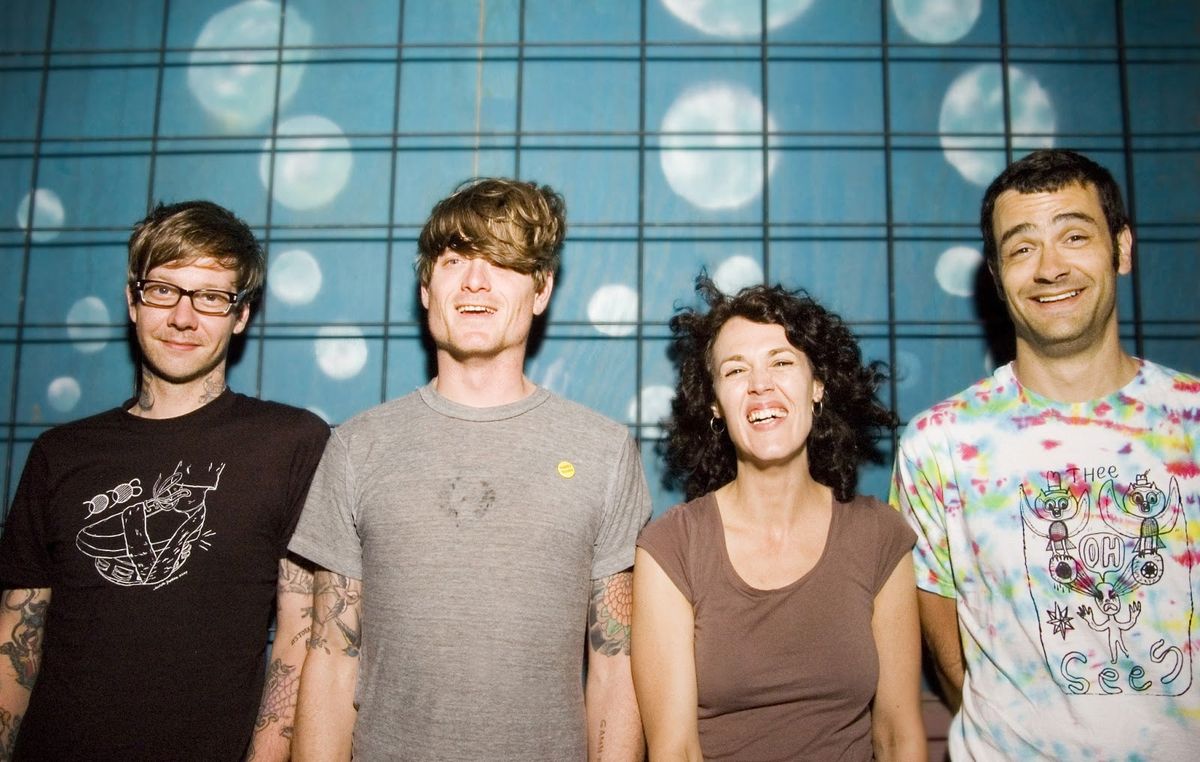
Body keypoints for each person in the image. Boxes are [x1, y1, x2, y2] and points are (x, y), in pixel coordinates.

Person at [289, 178, 651, 760]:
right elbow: (331, 658)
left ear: (541, 289)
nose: (475, 280)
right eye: (454, 260)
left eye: (502, 260)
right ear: (426, 289)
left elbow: (616, 670)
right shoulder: (358, 447)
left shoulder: (604, 452)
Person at [891, 149, 1200, 759]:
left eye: (1074, 236)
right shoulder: (940, 443)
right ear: (997, 274)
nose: (1050, 268)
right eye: (1022, 248)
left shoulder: (1191, 421)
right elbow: (949, 654)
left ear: (1122, 249)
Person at [0, 200, 330, 761]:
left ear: (241, 315)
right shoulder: (61, 453)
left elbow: (300, 639)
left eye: (211, 297)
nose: (183, 317)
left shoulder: (291, 442)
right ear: (132, 301)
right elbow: (18, 635)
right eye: (163, 290)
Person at [633, 278, 926, 761]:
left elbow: (898, 738)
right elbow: (676, 749)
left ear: (817, 386)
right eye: (735, 370)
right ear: (714, 404)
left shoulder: (879, 536)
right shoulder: (672, 547)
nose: (760, 384)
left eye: (782, 362)